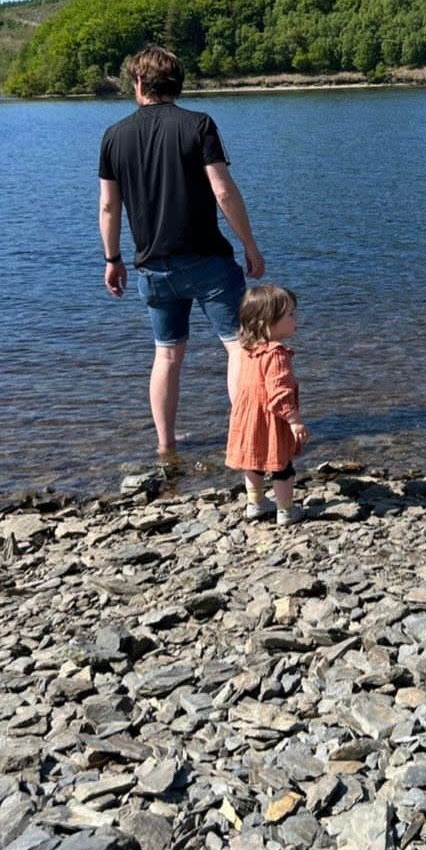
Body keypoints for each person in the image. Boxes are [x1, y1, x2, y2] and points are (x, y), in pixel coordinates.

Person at [98, 45, 265, 457]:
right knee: (238, 346)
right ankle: (248, 439)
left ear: (138, 84)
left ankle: (166, 445)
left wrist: (112, 259)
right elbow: (223, 190)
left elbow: (108, 205)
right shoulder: (199, 125)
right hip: (207, 260)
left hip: (152, 268)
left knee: (167, 355)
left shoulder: (114, 136)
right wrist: (249, 243)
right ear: (178, 82)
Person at [226, 284, 309, 526]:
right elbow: (279, 393)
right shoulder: (277, 353)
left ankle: (256, 504)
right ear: (266, 322)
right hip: (273, 419)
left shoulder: (247, 349)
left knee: (254, 461)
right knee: (282, 465)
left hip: (248, 416)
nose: (296, 319)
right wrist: (294, 420)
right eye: (290, 315)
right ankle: (285, 510)